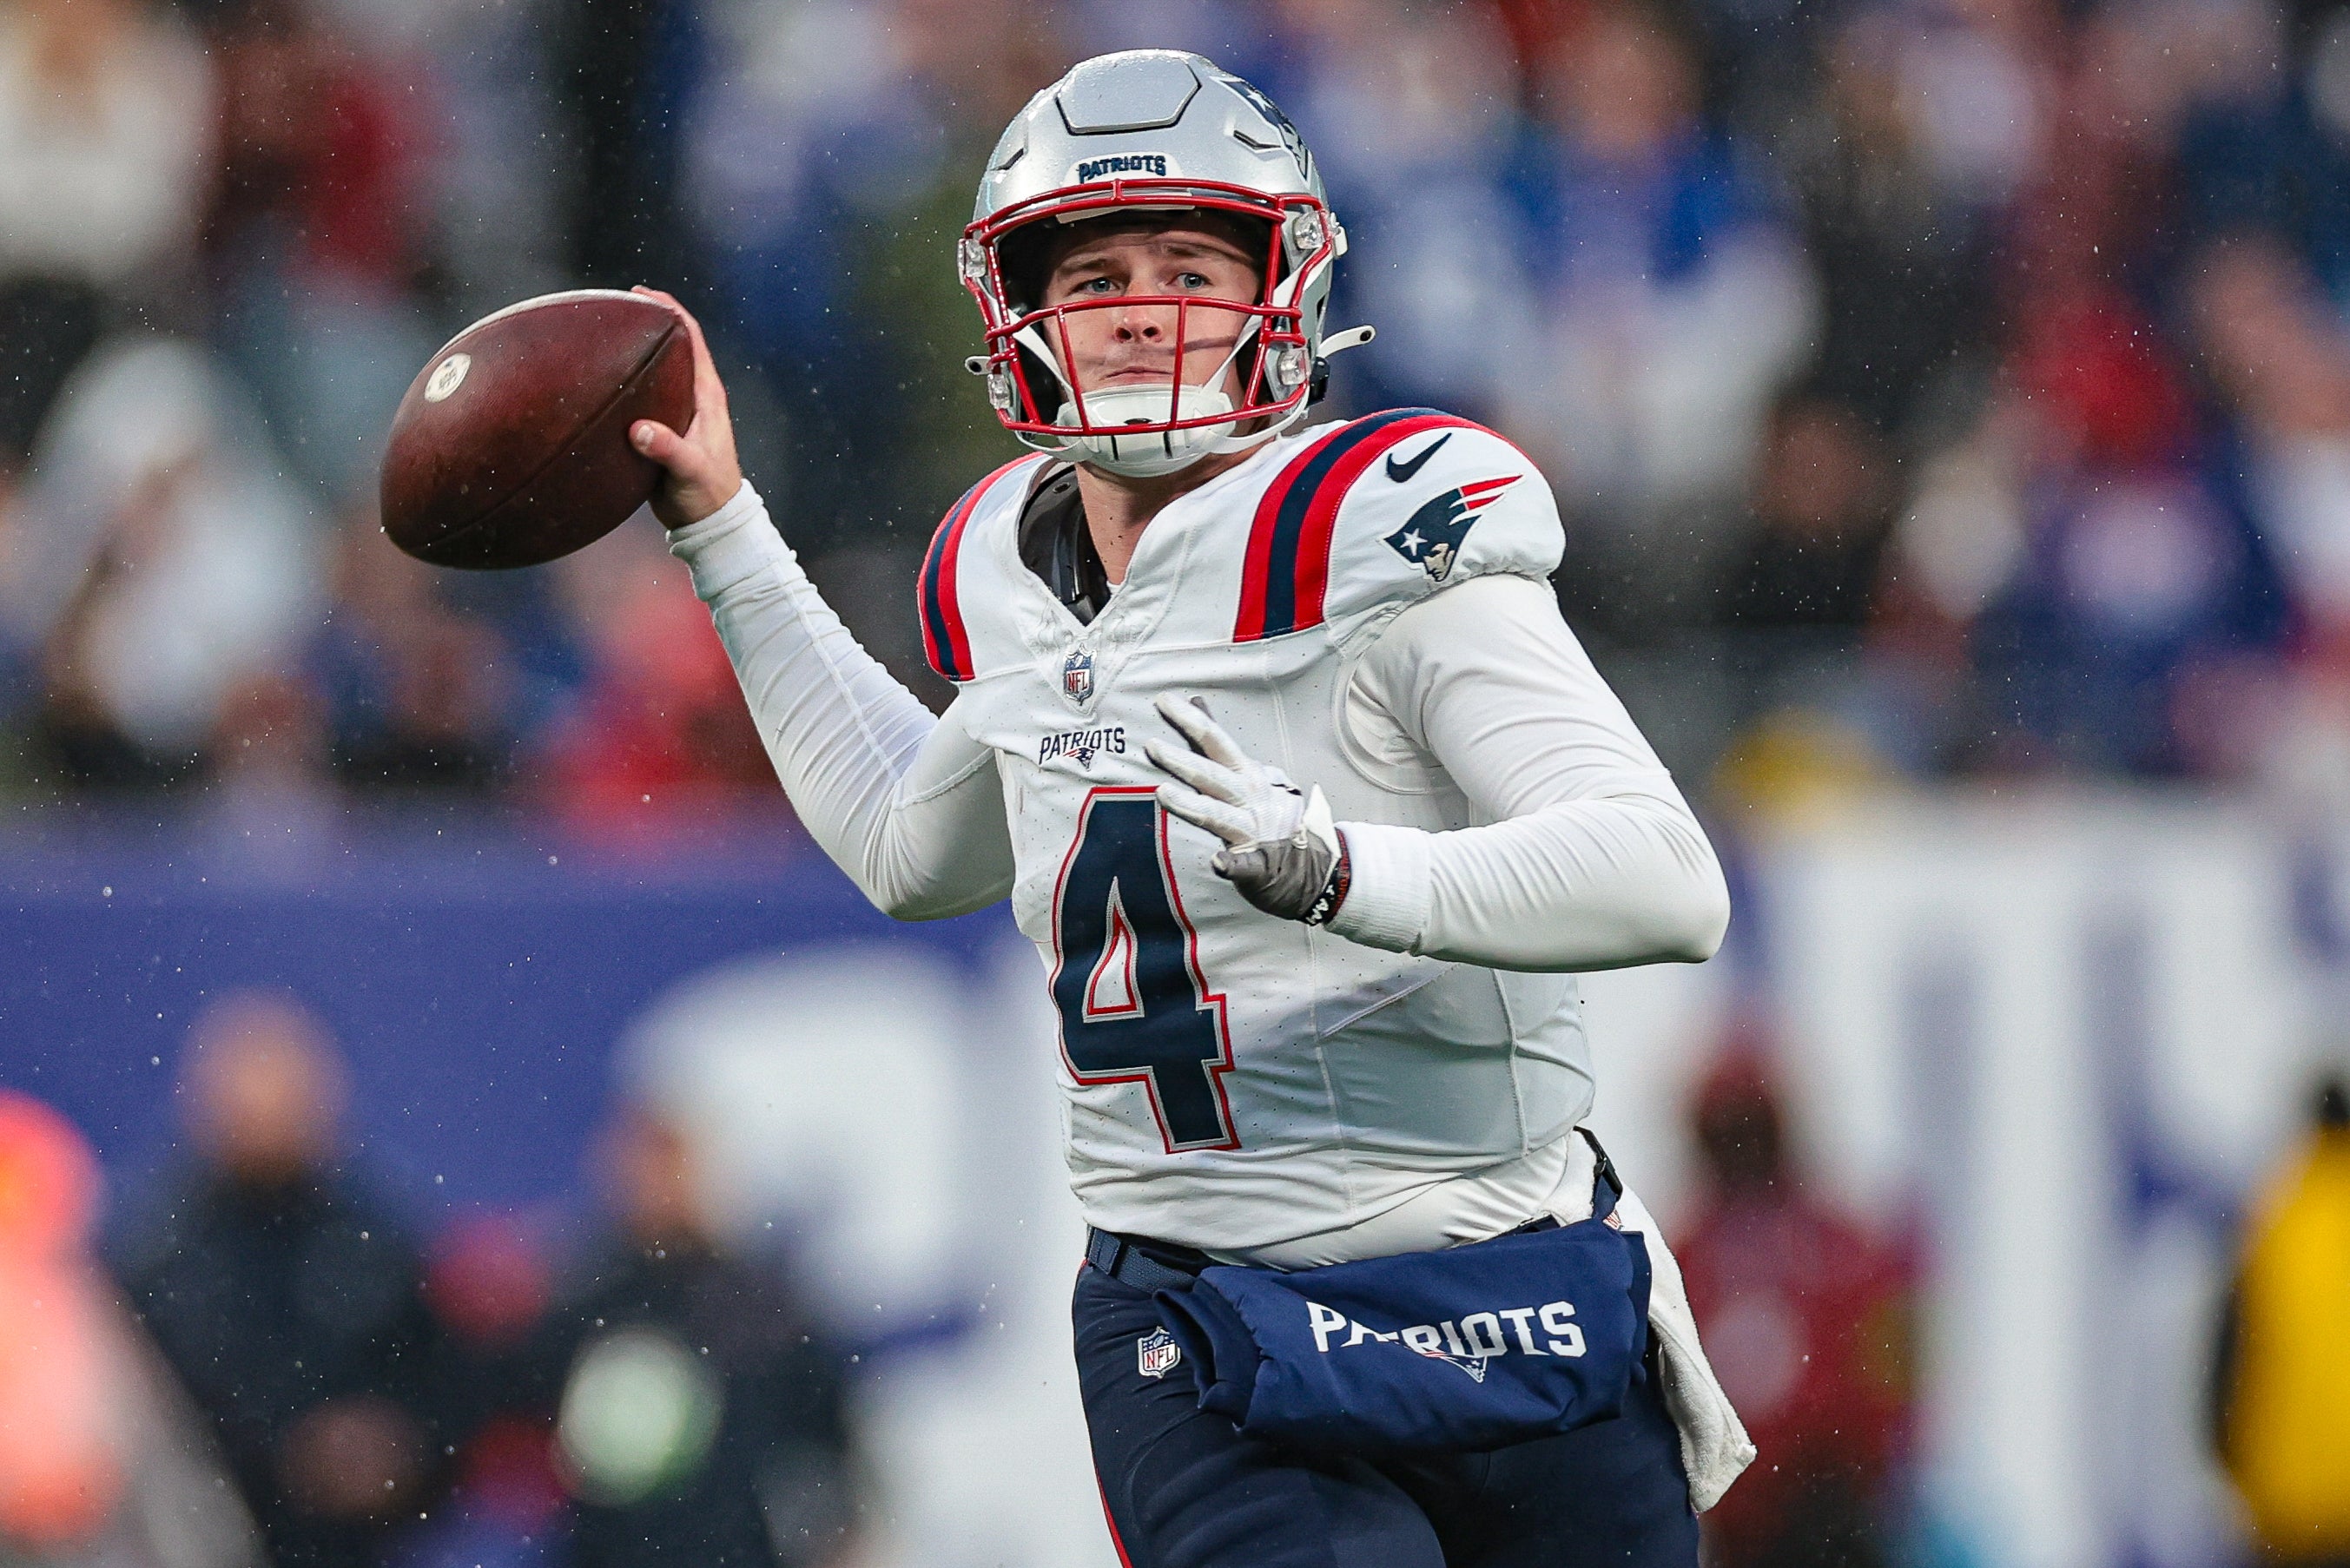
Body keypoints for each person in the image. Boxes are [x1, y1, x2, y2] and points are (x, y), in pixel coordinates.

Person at [630, 49, 1751, 1565]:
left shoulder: (1381, 539)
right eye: (1095, 270)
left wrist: (1345, 870)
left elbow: (1664, 877)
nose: (1146, 303)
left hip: (1507, 1285)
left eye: (1189, 261)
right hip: (1207, 1320)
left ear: (1277, 289)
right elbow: (912, 847)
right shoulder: (1007, 571)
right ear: (1022, 311)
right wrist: (724, 530)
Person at [111, 992, 453, 1568]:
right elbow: (121, 1427)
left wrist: (395, 1451)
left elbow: (445, 1400)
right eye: (245, 1086)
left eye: (285, 1086)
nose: (264, 1109)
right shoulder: (150, 1254)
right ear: (199, 1100)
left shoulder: (381, 1242)